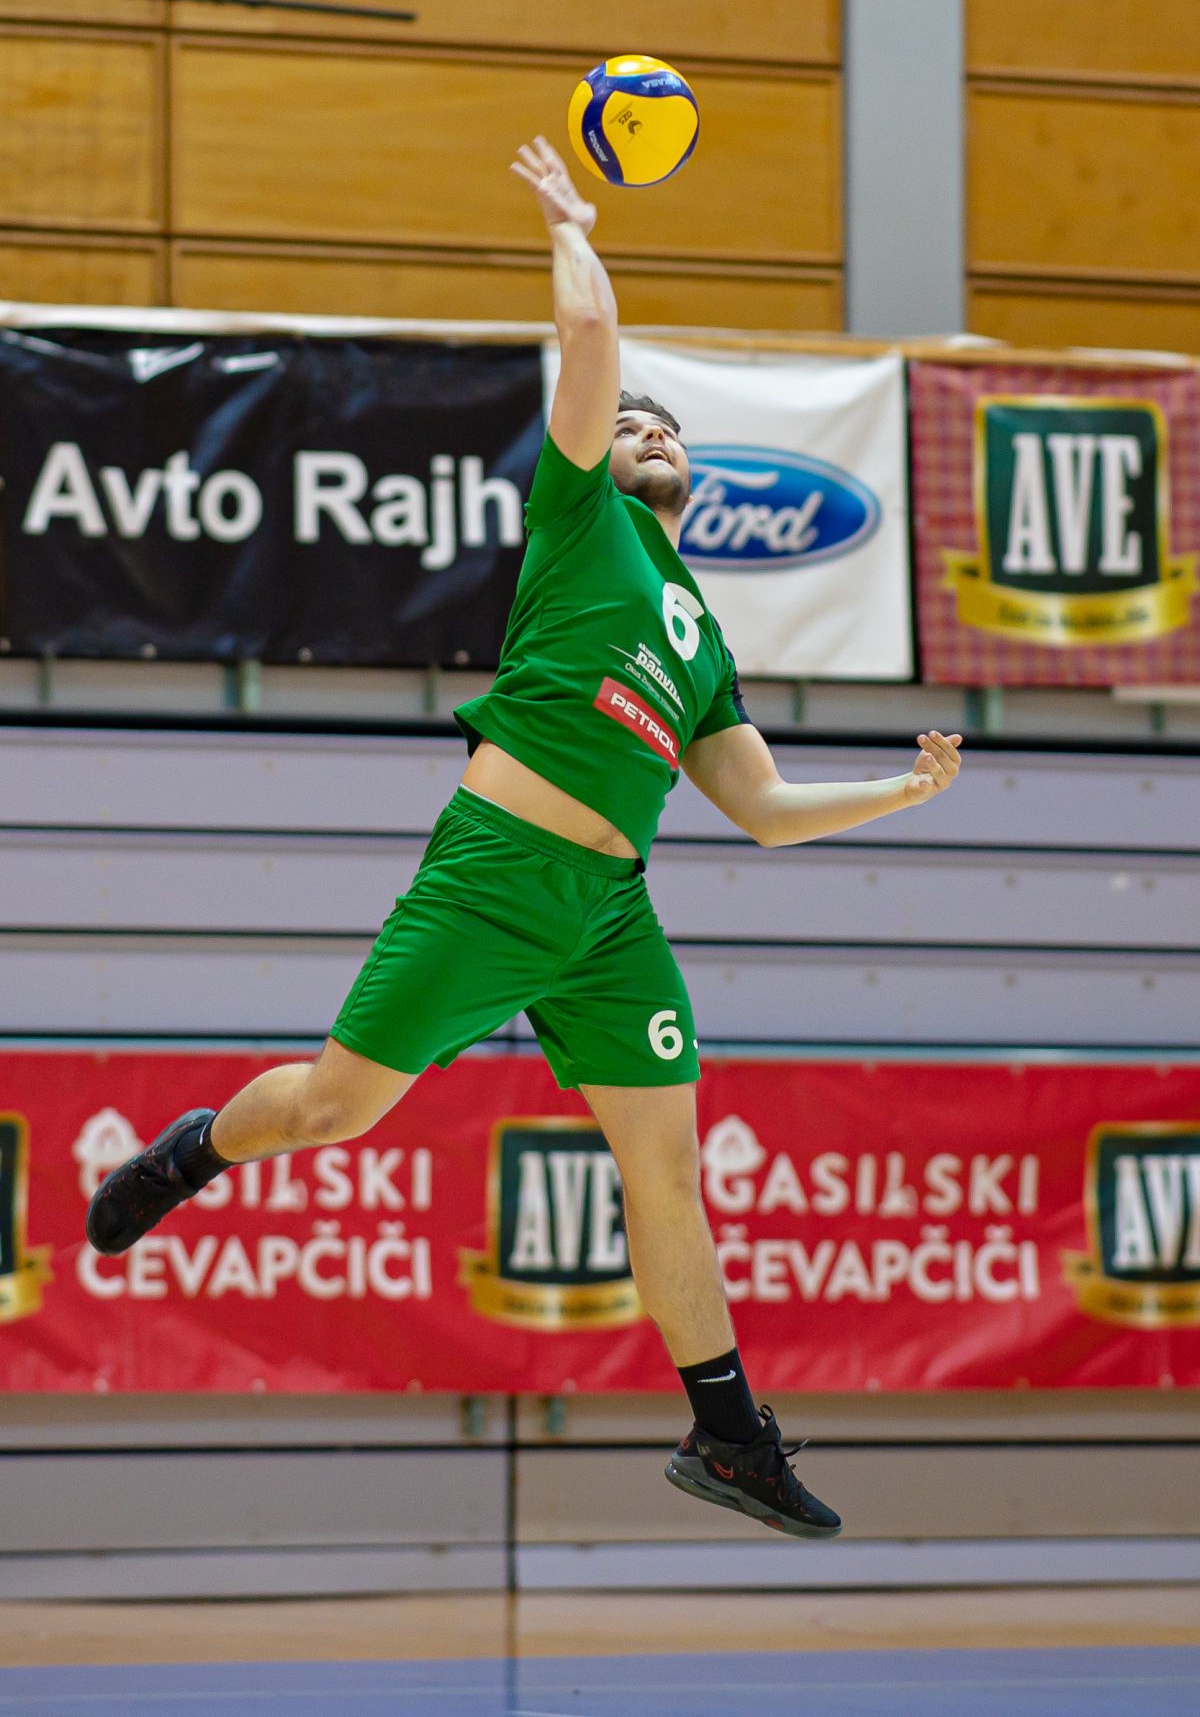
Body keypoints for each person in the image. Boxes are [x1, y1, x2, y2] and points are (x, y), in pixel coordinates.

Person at [87, 136, 962, 1541]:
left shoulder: (702, 637)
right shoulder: (577, 520)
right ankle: (191, 1152)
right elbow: (592, 339)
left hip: (610, 916)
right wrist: (570, 227)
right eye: (636, 425)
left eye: (672, 430)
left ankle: (730, 1435)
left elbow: (762, 810)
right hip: (492, 878)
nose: (654, 432)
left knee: (666, 1173)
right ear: (595, 456)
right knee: (330, 1111)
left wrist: (898, 793)